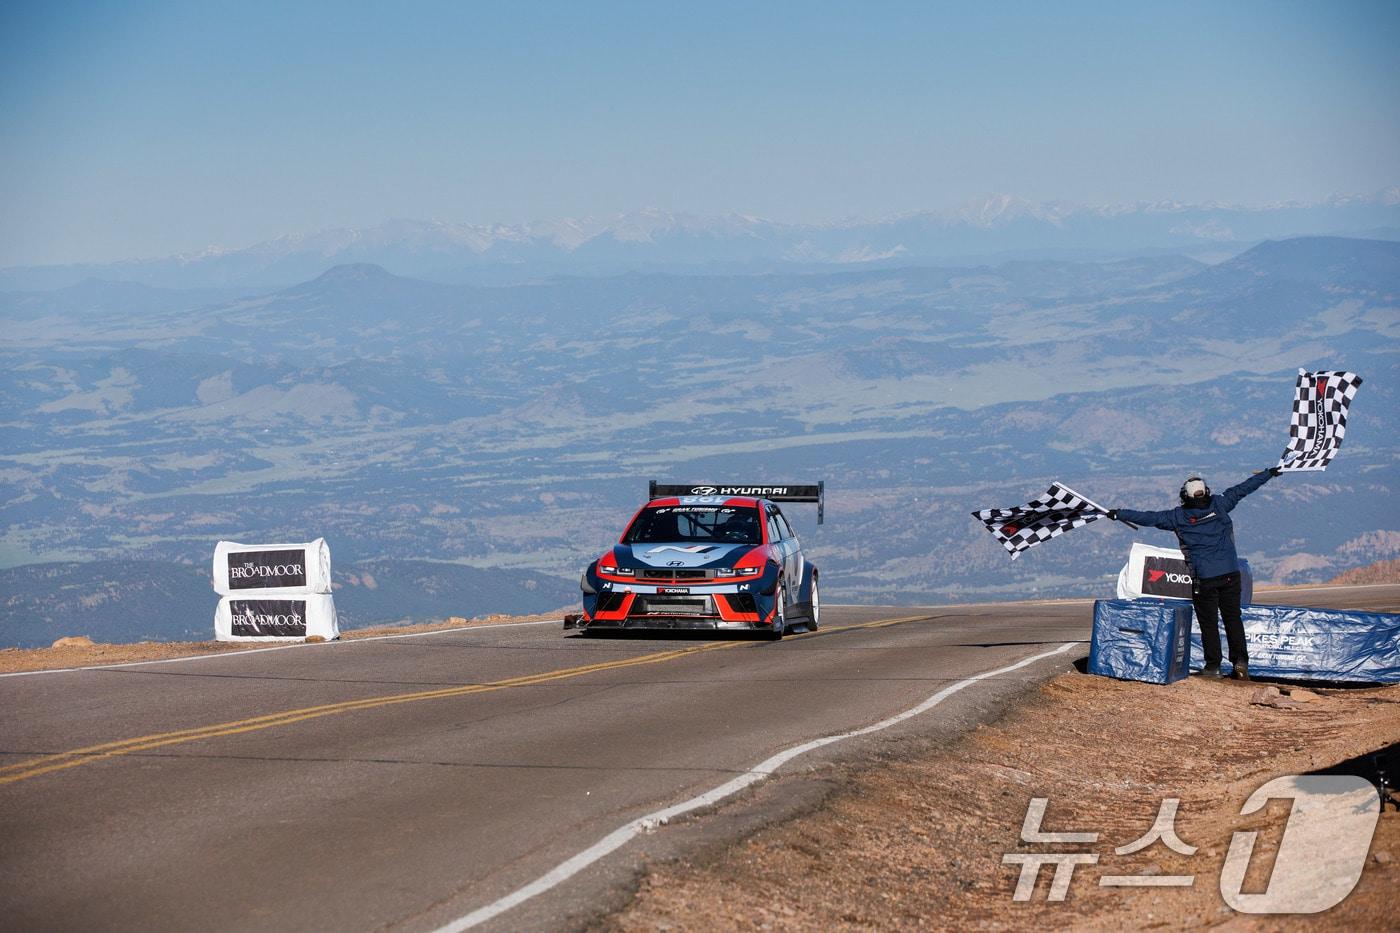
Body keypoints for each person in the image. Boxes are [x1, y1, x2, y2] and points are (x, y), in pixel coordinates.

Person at [1109, 467, 1282, 681]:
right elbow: (1244, 488)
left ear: (1185, 496)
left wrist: (1118, 514)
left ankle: (1213, 666)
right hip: (1230, 574)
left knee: (1208, 622)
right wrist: (1269, 473)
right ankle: (1240, 662)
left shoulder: (1178, 517)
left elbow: (1148, 518)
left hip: (1205, 578)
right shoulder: (1220, 504)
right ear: (1206, 492)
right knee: (1232, 619)